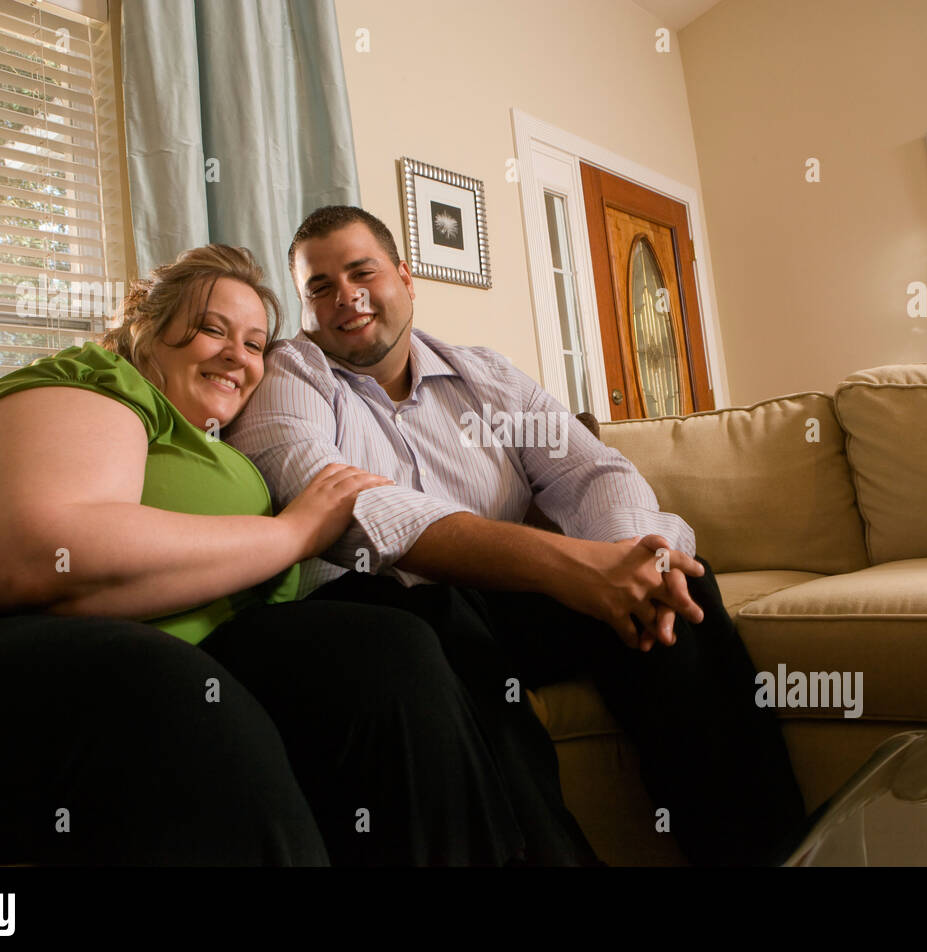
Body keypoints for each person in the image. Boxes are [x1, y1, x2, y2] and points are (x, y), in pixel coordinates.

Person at [0, 244, 526, 866]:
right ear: (147, 329)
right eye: (213, 330)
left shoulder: (230, 451)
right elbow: (38, 559)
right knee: (168, 688)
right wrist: (293, 534)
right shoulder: (90, 381)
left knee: (386, 652)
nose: (238, 355)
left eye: (255, 343)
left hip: (172, 654)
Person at [226, 206, 810, 866]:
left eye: (363, 272)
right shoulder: (292, 374)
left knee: (677, 581)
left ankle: (771, 855)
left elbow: (593, 470)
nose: (346, 297)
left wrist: (629, 554)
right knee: (440, 625)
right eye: (320, 287)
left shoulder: (487, 375)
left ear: (406, 279)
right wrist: (562, 562)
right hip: (387, 617)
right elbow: (341, 502)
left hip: (507, 598)